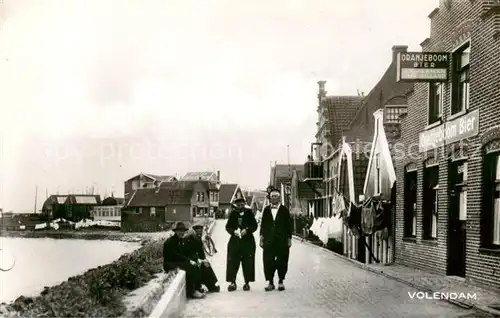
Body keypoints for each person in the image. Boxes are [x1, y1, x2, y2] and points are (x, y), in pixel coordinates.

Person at [260, 188, 293, 291]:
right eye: (272, 196)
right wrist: (261, 238)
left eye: (276, 196)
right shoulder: (266, 210)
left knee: (282, 261)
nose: (274, 198)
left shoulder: (284, 210)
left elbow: (289, 225)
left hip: (281, 241)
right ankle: (270, 282)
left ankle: (281, 281)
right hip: (269, 241)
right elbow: (263, 225)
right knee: (268, 261)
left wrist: (289, 239)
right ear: (270, 198)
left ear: (279, 198)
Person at [163, 221, 205, 299]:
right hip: (170, 263)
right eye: (179, 231)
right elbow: (175, 256)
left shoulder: (181, 240)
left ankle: (197, 287)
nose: (181, 233)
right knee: (190, 267)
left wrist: (196, 259)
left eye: (183, 231)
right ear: (175, 232)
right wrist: (188, 261)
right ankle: (191, 292)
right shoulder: (170, 242)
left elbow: (187, 252)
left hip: (177, 261)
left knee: (195, 265)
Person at [225, 197, 258, 291]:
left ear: (245, 204)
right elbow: (228, 227)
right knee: (232, 262)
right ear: (236, 206)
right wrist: (233, 231)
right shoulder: (233, 214)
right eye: (238, 205)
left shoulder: (249, 213)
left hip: (248, 242)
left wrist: (247, 230)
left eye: (242, 205)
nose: (240, 207)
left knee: (248, 262)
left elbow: (255, 226)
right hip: (235, 242)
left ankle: (247, 282)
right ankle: (232, 282)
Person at [184, 222, 221, 293]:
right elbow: (187, 254)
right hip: (188, 260)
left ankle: (213, 286)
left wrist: (204, 260)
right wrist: (197, 259)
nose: (199, 234)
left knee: (206, 265)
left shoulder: (198, 240)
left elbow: (201, 254)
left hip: (196, 260)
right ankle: (197, 288)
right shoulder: (187, 239)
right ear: (193, 232)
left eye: (200, 233)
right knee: (195, 267)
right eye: (197, 232)